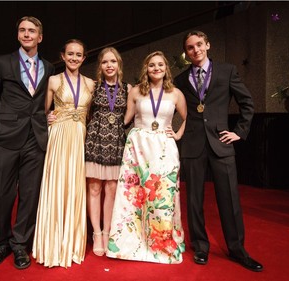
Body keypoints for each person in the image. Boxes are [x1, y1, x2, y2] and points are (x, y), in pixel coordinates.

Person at [174, 30, 263, 272]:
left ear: (208, 45)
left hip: (221, 142)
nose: (196, 50)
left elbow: (247, 103)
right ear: (187, 52)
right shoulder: (181, 80)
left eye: (199, 45)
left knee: (230, 198)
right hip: (192, 145)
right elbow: (172, 109)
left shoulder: (226, 71)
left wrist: (239, 132)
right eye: (190, 47)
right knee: (193, 199)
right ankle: (200, 247)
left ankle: (237, 249)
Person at [0, 16, 55, 270]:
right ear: (18, 35)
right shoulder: (2, 62)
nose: (27, 34)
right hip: (5, 139)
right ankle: (1, 242)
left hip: (35, 139)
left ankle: (20, 244)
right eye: (23, 30)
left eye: (32, 31)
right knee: (2, 192)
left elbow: (47, 103)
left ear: (40, 37)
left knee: (30, 194)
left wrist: (50, 118)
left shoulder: (49, 67)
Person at [107, 51, 187, 264]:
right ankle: (131, 242)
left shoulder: (176, 93)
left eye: (160, 64)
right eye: (151, 65)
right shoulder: (135, 91)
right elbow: (125, 119)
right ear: (146, 68)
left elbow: (189, 118)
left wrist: (177, 134)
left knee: (162, 197)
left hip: (164, 147)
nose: (156, 68)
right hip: (138, 147)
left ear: (166, 68)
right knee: (134, 195)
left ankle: (161, 244)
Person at [32, 39, 95, 268]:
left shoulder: (90, 83)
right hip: (59, 137)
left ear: (84, 58)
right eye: (70, 54)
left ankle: (72, 242)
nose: (74, 58)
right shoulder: (53, 80)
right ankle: (53, 243)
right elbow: (43, 110)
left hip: (80, 137)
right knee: (58, 185)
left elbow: (92, 114)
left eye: (78, 55)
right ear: (62, 55)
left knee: (75, 187)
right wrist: (47, 117)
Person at [85, 47, 132, 256]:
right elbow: (82, 114)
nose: (109, 65)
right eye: (105, 62)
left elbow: (132, 117)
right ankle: (96, 232)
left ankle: (107, 231)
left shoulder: (128, 89)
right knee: (94, 189)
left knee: (111, 190)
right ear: (100, 66)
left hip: (117, 145)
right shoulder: (92, 88)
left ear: (119, 64)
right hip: (95, 142)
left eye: (113, 61)